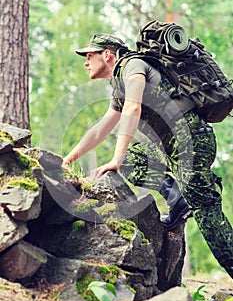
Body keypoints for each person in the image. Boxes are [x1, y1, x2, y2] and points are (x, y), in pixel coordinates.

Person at [63, 33, 233, 278]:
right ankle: (177, 199)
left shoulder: (133, 66)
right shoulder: (118, 86)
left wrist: (115, 159)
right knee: (135, 160)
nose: (86, 62)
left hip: (192, 140)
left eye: (90, 56)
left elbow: (133, 107)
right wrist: (65, 162)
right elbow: (100, 129)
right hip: (170, 147)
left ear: (107, 54)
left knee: (208, 216)